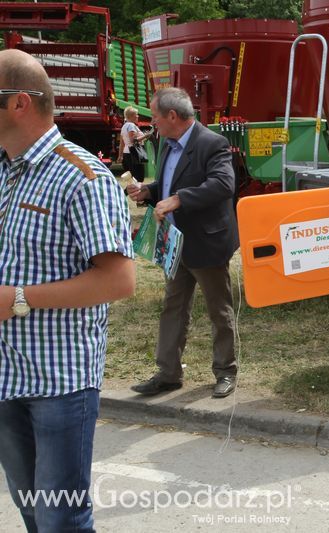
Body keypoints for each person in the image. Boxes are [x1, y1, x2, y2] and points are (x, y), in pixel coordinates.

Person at [0, 49, 135, 531]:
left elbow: (120, 280)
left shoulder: (83, 177)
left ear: (19, 104)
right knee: (33, 511)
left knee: (62, 519)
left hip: (59, 382)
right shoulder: (5, 170)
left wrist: (16, 297)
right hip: (7, 375)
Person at [127, 87, 239, 398]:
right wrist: (149, 191)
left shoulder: (212, 143)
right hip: (175, 244)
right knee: (173, 307)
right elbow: (169, 182)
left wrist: (177, 199)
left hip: (206, 242)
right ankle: (168, 373)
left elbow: (223, 184)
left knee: (219, 310)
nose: (153, 125)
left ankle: (225, 371)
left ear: (173, 116)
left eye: (156, 118)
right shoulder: (166, 142)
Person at [116, 105, 151, 183]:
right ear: (131, 116)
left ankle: (128, 193)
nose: (138, 116)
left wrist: (120, 156)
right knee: (139, 178)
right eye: (136, 114)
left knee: (132, 178)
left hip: (127, 154)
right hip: (134, 154)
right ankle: (128, 192)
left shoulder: (124, 126)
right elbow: (133, 141)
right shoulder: (131, 126)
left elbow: (122, 143)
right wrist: (146, 135)